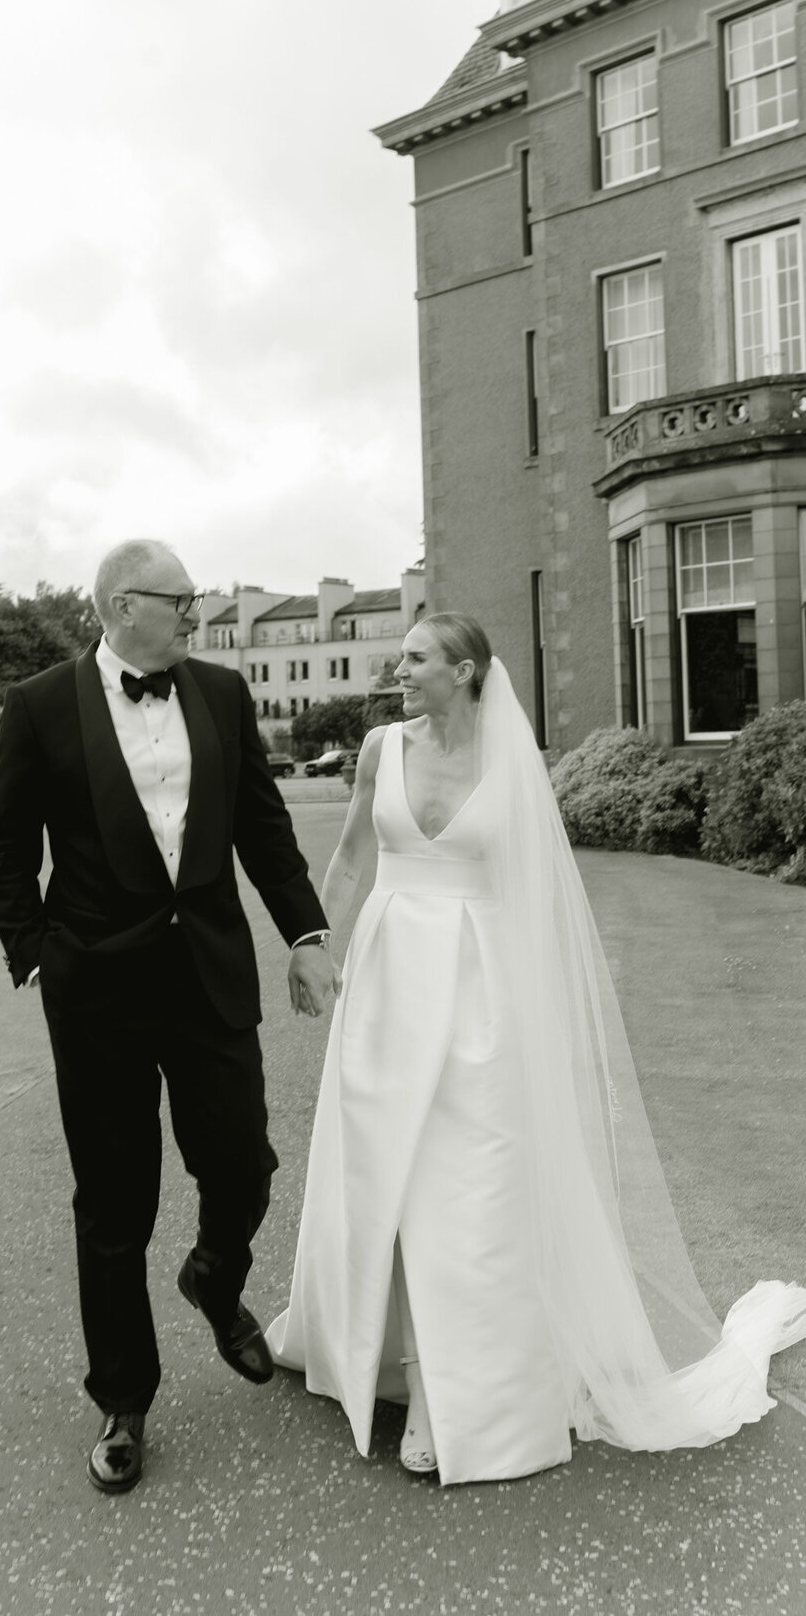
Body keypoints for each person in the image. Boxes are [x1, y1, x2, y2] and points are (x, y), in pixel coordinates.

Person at [267, 613, 806, 1485]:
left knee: (466, 1185)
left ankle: (450, 1394)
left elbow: (538, 899)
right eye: (398, 656)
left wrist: (539, 1014)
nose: (396, 670)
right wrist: (316, 946)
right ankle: (371, 1345)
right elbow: (349, 856)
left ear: (467, 671)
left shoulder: (514, 765)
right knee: (379, 1170)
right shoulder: (378, 748)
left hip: (482, 992)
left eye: (414, 658)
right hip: (389, 981)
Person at [0, 539, 337, 1495]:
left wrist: (304, 933)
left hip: (210, 981)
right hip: (95, 992)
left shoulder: (220, 695)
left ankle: (215, 1277)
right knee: (113, 1204)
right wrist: (35, 955)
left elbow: (262, 823)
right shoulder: (42, 705)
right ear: (120, 606)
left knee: (245, 1165)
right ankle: (124, 1399)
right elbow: (5, 843)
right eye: (183, 600)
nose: (198, 614)